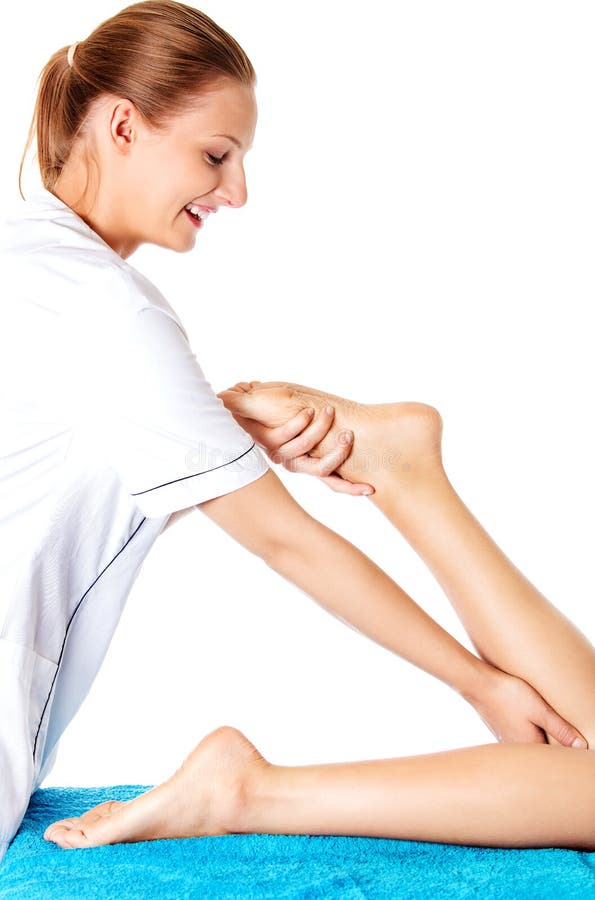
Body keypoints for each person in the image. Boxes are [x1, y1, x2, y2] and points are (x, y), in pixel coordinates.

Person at [1, 0, 593, 863]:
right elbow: (286, 542)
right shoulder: (102, 305)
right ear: (123, 125)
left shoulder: (37, 268)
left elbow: (70, 429)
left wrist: (221, 419)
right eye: (216, 154)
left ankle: (406, 477)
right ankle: (247, 783)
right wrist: (481, 687)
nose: (236, 191)